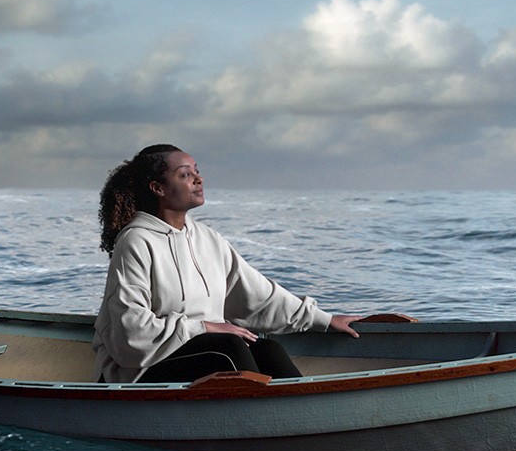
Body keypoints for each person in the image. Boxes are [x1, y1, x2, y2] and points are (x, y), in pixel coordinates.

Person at [92, 144, 360, 384]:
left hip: (203, 352)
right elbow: (131, 330)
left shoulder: (207, 238)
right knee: (230, 348)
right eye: (185, 174)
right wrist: (204, 326)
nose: (199, 179)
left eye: (197, 171)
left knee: (268, 349)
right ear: (157, 188)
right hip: (137, 370)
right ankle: (270, 424)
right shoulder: (136, 241)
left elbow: (258, 295)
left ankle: (305, 415)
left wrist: (323, 320)